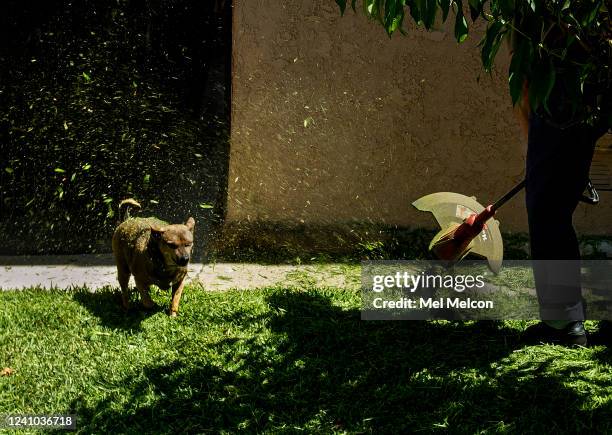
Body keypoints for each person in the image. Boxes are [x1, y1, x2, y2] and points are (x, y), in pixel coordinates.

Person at [512, 35, 609, 346]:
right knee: (549, 200)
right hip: (593, 72)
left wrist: (533, 143)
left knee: (547, 205)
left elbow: (523, 57)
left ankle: (562, 321)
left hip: (567, 78)